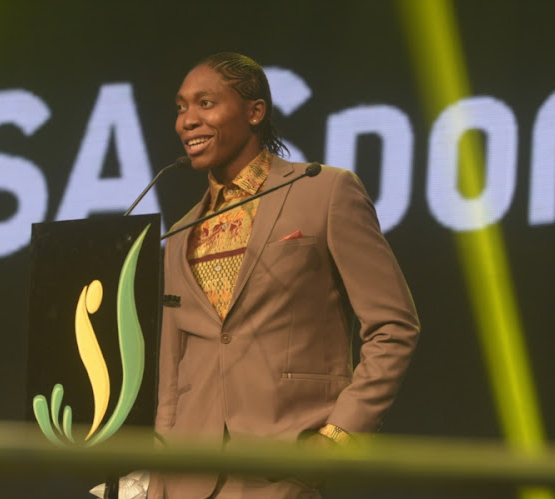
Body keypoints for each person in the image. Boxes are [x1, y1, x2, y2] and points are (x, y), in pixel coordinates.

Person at [149, 52, 420, 499]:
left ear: (255, 111)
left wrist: (338, 437)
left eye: (205, 103)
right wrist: (160, 480)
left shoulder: (325, 191)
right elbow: (173, 380)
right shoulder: (179, 232)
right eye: (181, 108)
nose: (187, 121)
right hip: (190, 479)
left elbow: (394, 326)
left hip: (281, 468)